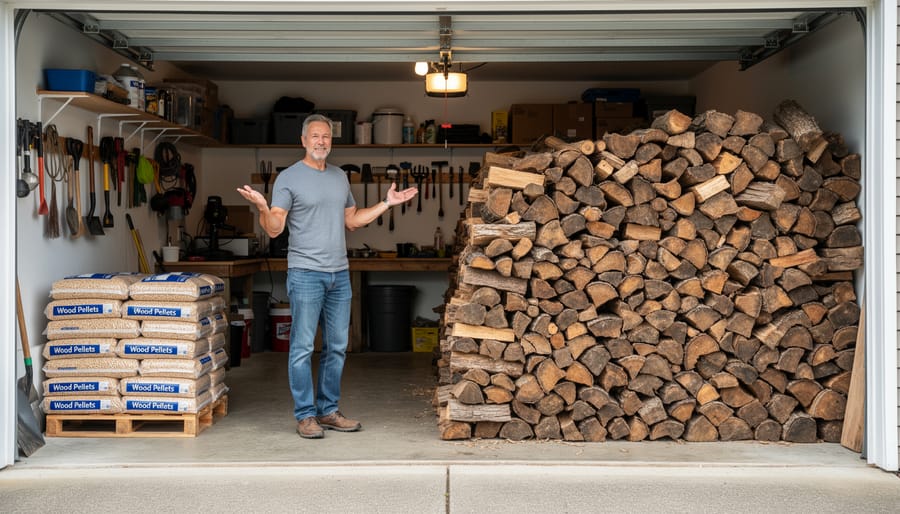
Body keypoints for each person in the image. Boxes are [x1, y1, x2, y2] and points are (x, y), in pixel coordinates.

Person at [236, 114, 418, 439]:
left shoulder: (339, 178)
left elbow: (352, 220)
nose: (321, 142)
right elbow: (275, 228)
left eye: (327, 137)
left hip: (339, 274)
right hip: (306, 273)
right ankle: (306, 415)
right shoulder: (289, 178)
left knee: (337, 346)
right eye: (315, 136)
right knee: (303, 346)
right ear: (303, 140)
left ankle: (328, 410)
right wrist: (263, 208)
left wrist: (386, 204)